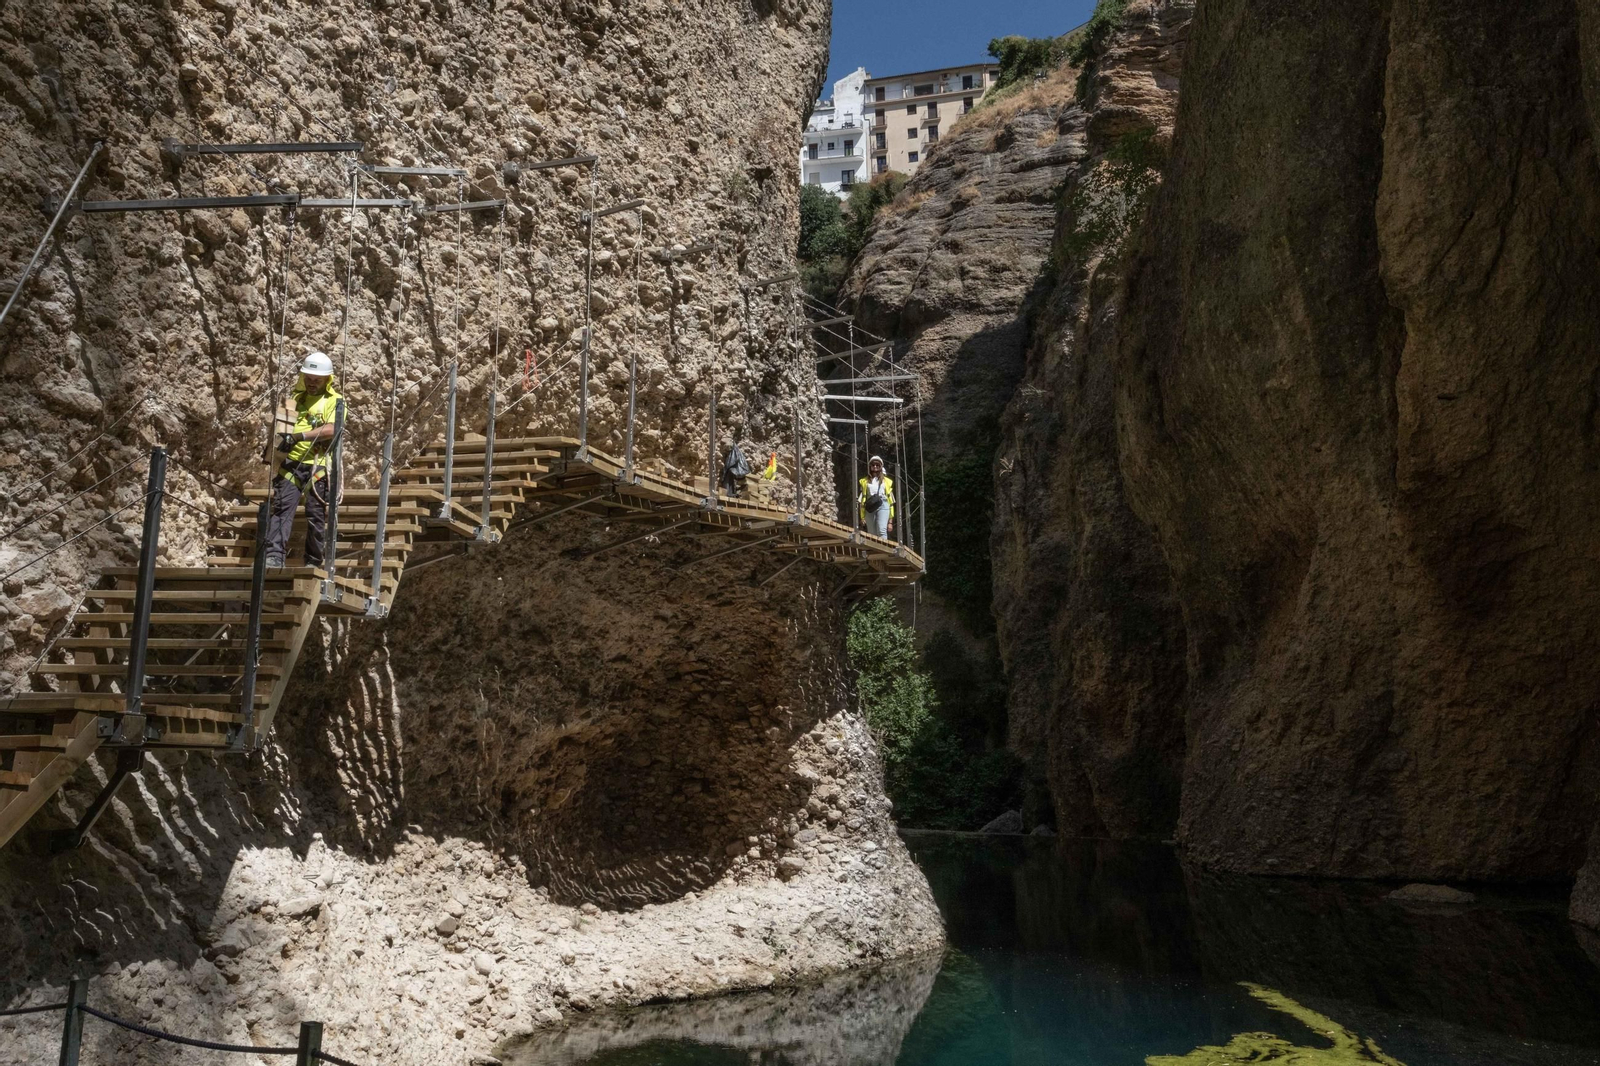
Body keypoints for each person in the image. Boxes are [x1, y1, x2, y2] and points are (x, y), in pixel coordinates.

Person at [263, 351, 346, 569]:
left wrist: (299, 437)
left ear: (327, 380)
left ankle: (313, 560)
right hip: (291, 463)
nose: (311, 383)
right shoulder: (295, 399)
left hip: (318, 464)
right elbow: (281, 428)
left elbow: (332, 428)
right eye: (308, 378)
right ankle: (274, 556)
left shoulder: (335, 401)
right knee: (282, 509)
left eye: (317, 380)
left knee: (315, 514)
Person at [857, 455, 894, 539]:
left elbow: (891, 501)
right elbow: (862, 500)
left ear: (881, 467)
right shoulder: (864, 481)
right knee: (871, 532)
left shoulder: (887, 481)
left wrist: (890, 521)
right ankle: (873, 547)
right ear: (870, 467)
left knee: (881, 530)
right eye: (873, 465)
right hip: (870, 506)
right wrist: (862, 517)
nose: (875, 467)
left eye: (877, 465)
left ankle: (883, 547)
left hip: (883, 504)